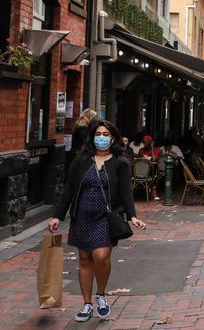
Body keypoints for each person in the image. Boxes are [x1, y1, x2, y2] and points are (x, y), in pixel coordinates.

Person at [48, 120, 146, 322]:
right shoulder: (82, 160)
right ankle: (87, 303)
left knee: (101, 256)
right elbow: (68, 190)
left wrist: (132, 216)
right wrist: (58, 215)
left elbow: (126, 191)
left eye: (106, 134)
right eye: (98, 133)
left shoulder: (120, 162)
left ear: (113, 138)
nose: (101, 137)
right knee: (84, 260)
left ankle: (100, 295)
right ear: (93, 136)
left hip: (106, 216)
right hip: (82, 215)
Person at [67, 108, 98, 175]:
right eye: (94, 117)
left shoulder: (82, 127)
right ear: (89, 117)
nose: (95, 119)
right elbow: (86, 141)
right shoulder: (82, 128)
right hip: (78, 155)